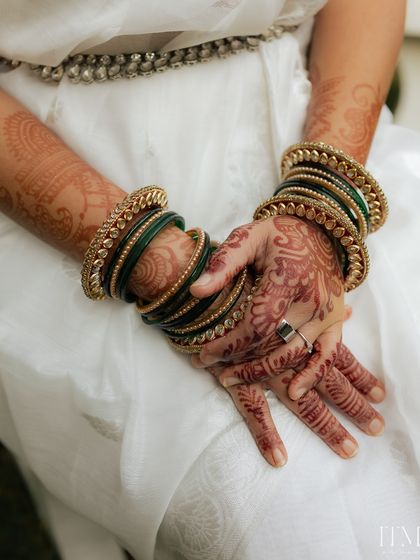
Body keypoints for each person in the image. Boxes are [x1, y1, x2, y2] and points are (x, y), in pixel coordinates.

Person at [0, 0, 419, 558]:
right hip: (61, 198)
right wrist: (163, 266)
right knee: (304, 526)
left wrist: (321, 205)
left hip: (317, 132)